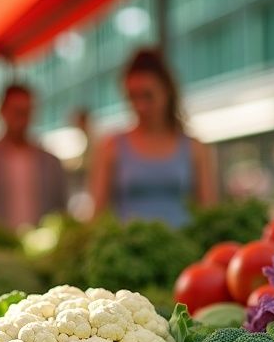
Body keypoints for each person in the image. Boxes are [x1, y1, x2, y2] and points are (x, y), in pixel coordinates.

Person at [91, 48, 216, 224]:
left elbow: (209, 212)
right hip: (127, 248)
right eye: (133, 97)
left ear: (167, 92)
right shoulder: (111, 146)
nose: (140, 106)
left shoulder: (195, 148)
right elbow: (96, 214)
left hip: (183, 247)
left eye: (148, 96)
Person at [0, 84, 68, 229]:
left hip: (41, 244)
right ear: (3, 111)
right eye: (16, 112)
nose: (21, 119)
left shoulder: (51, 162)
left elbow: (61, 211)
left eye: (26, 112)